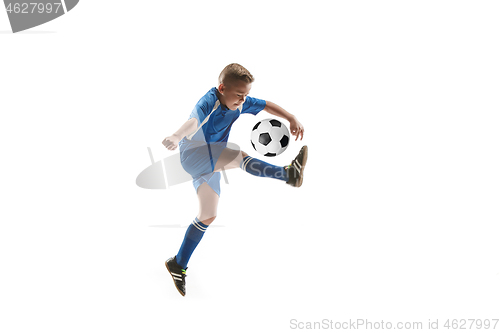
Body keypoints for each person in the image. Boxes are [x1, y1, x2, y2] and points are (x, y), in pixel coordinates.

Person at [161, 63, 307, 296]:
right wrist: (176, 136)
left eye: (245, 95)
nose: (242, 100)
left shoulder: (240, 102)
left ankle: (178, 263)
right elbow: (193, 122)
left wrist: (291, 117)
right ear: (222, 88)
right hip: (193, 155)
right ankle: (288, 173)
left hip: (211, 160)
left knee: (208, 214)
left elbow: (266, 105)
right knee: (238, 156)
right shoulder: (209, 102)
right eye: (239, 95)